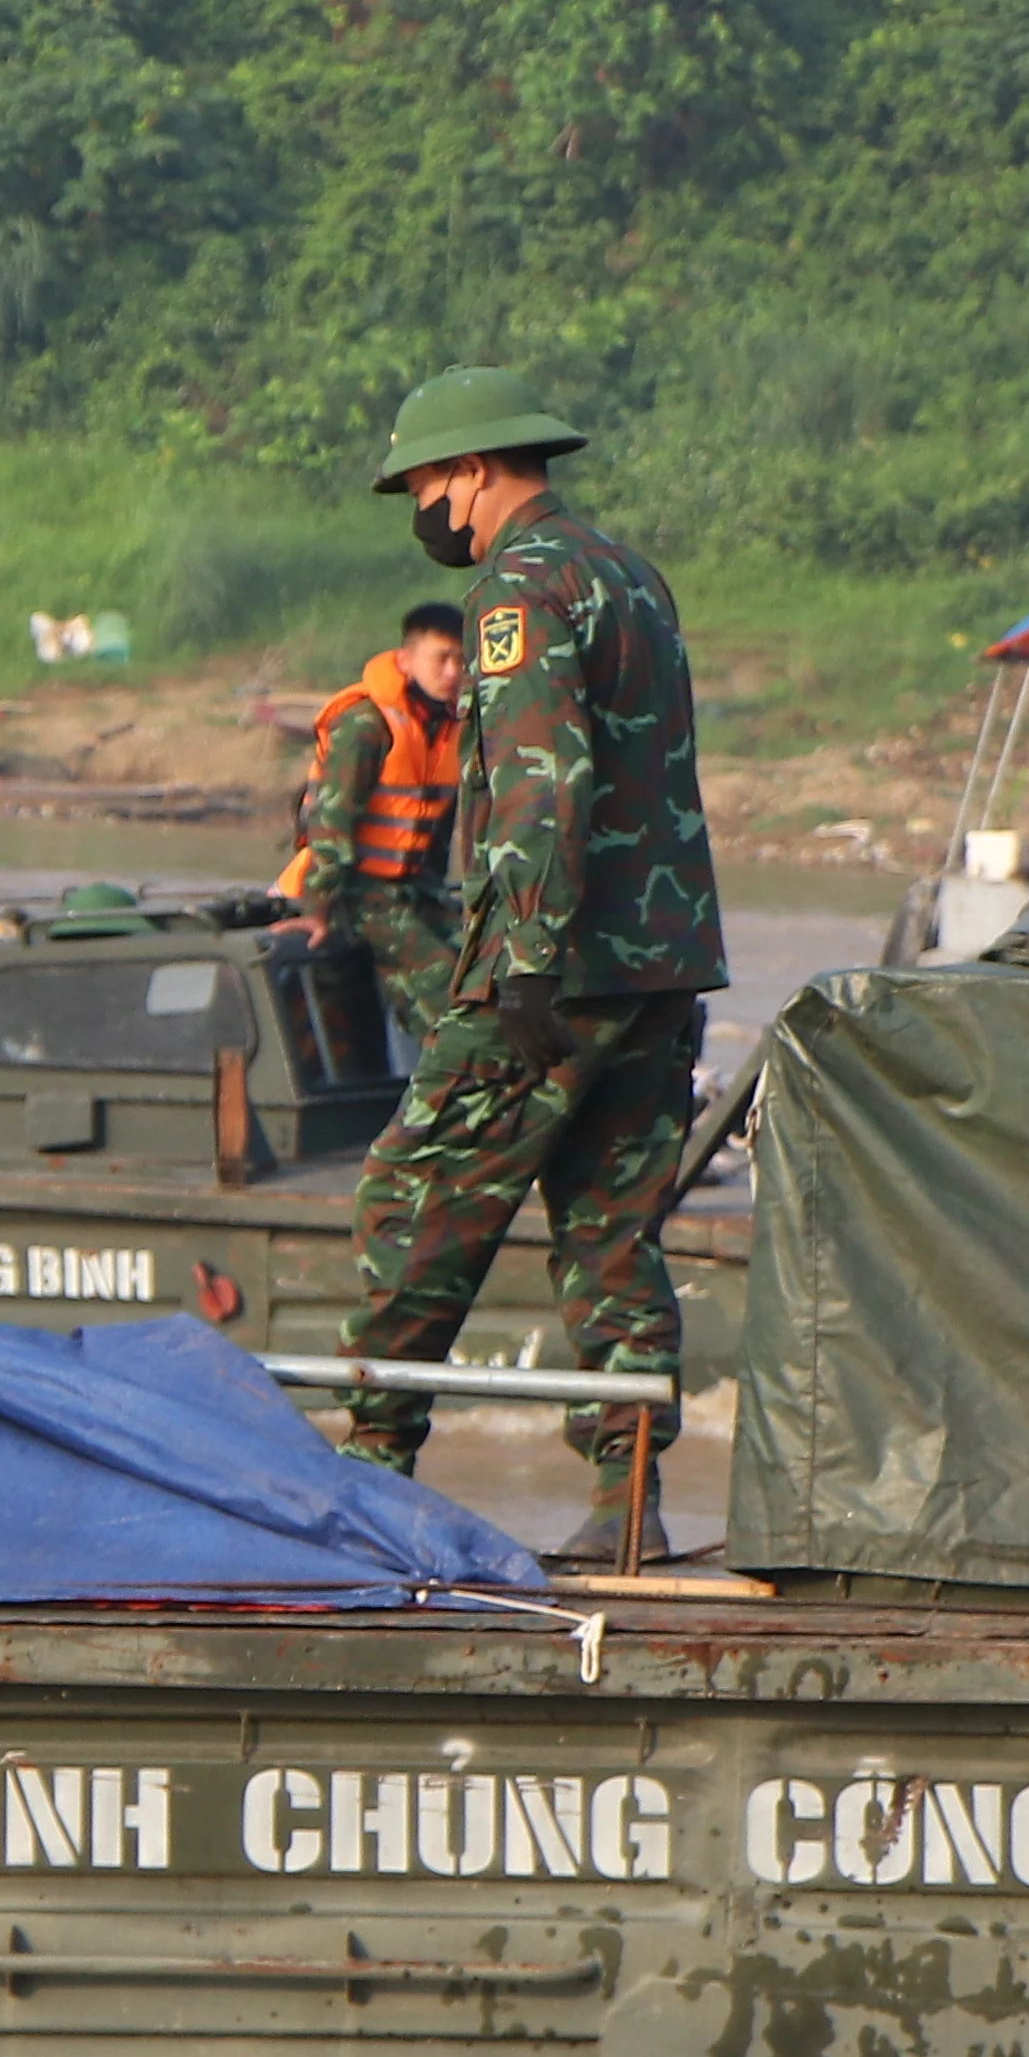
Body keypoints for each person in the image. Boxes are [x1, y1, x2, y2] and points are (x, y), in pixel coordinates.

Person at [332, 367, 725, 1553]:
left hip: (557, 969)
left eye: (424, 485)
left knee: (414, 1194)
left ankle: (368, 1481)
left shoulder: (519, 587)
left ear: (471, 472)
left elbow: (545, 779)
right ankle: (629, 1502)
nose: (423, 508)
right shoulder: (630, 577)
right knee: (612, 1230)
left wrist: (524, 967)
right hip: (663, 967)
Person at [288, 600, 471, 1048]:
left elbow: (437, 834)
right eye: (440, 658)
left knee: (484, 970)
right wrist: (316, 911)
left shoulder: (450, 730)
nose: (452, 672)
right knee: (448, 996)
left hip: (413, 888)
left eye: (461, 661)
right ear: (406, 661)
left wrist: (443, 903)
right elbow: (330, 825)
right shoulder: (367, 726)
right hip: (355, 889)